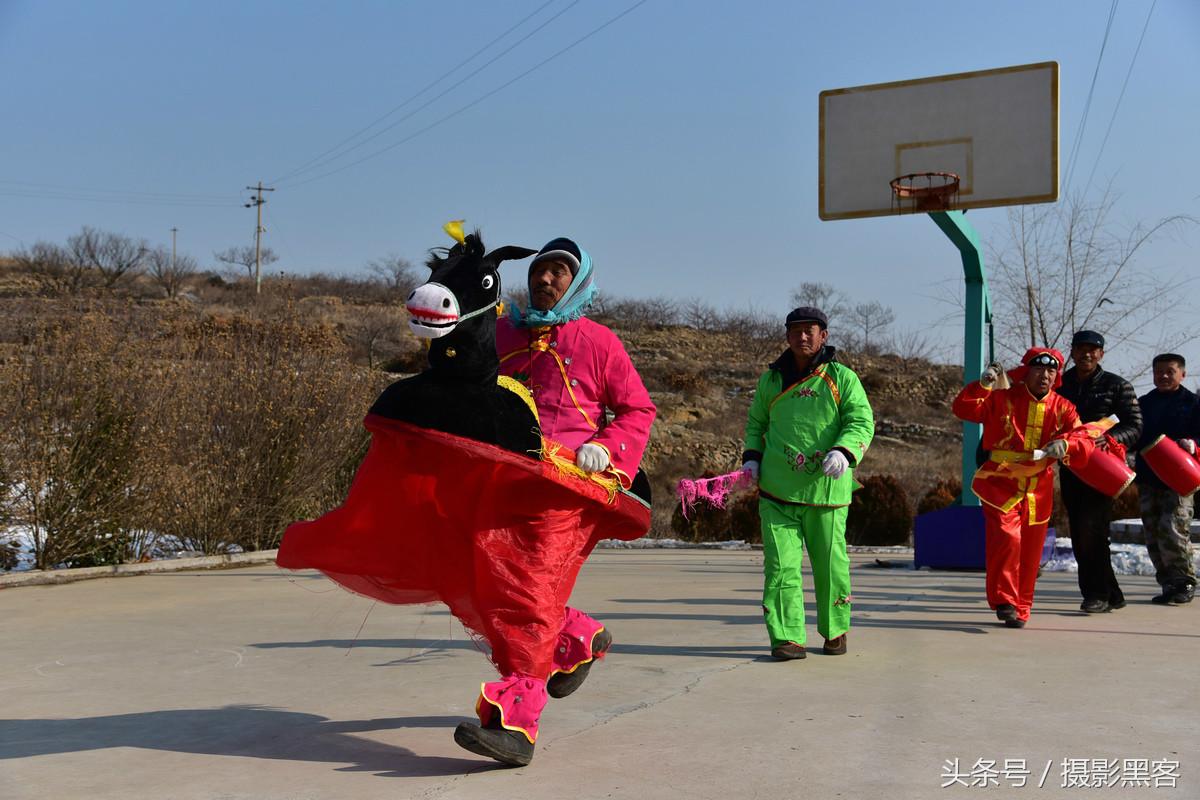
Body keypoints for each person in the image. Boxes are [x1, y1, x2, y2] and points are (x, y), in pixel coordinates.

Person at [495, 236, 656, 694]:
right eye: (537, 271)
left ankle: (516, 716)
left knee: (533, 589)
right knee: (502, 584)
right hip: (506, 483)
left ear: (579, 280)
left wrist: (607, 447)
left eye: (558, 271)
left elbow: (637, 410)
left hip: (570, 489)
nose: (544, 279)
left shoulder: (600, 342)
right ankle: (579, 636)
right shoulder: (503, 334)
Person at [740, 306, 874, 660]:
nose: (802, 336)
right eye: (795, 330)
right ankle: (787, 637)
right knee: (781, 566)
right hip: (776, 490)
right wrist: (751, 457)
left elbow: (861, 421)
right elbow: (756, 423)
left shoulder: (842, 377)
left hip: (826, 490)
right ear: (786, 335)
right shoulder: (770, 380)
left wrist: (845, 452)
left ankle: (835, 630)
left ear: (823, 335)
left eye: (809, 330)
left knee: (830, 565)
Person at [952, 348, 1080, 628]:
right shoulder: (1001, 398)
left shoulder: (1064, 407)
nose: (1044, 375)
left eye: (1050, 371)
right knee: (1007, 537)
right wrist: (984, 384)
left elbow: (1081, 436)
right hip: (1001, 480)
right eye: (1038, 369)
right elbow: (964, 408)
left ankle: (1021, 608)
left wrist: (1068, 444)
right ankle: (1005, 600)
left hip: (1040, 485)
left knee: (1032, 547)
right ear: (1026, 372)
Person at [1057, 330, 1142, 613]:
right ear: (1072, 352)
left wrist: (1111, 438)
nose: (1087, 354)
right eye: (1081, 349)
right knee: (1081, 530)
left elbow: (1135, 425)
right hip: (1070, 467)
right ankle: (1112, 593)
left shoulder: (1118, 386)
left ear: (1101, 354)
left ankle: (1096, 594)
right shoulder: (1060, 383)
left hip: (1104, 467)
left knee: (1092, 529)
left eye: (1093, 350)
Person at [1133, 353, 1199, 605]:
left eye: (1169, 371)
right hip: (1149, 477)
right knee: (1151, 530)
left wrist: (1193, 445)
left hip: (1180, 477)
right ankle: (1168, 582)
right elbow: (1133, 434)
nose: (1163, 376)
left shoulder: (1193, 403)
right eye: (1158, 371)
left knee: (1173, 527)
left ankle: (1184, 581)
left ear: (1182, 374)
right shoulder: (1144, 404)